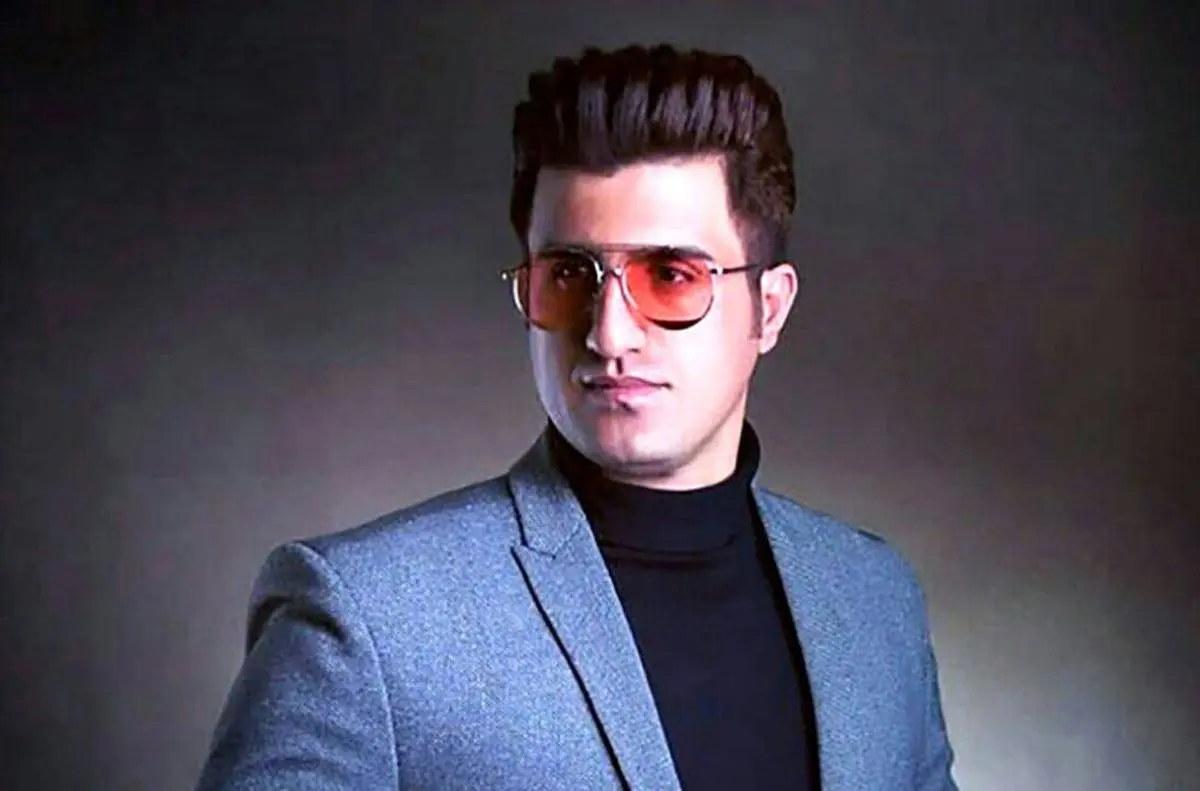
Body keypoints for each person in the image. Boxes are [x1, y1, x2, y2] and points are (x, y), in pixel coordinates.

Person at [196, 44, 958, 791]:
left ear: (770, 307)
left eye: (670, 275)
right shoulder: (363, 613)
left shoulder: (875, 597)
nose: (608, 333)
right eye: (568, 274)